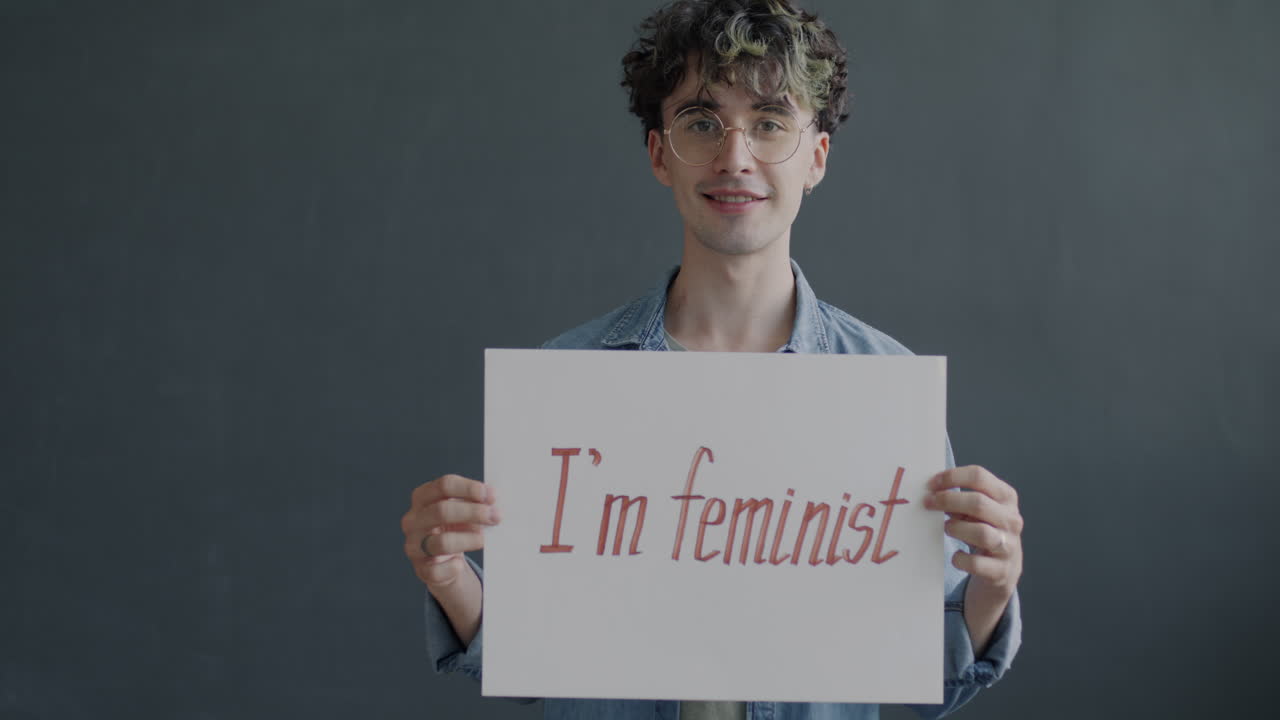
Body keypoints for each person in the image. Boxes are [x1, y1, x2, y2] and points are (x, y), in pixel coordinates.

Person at [400, 1, 1023, 717]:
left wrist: (991, 587)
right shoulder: (568, 382)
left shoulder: (883, 391)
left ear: (816, 156)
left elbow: (923, 679)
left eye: (769, 122)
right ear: (660, 153)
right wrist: (451, 577)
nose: (735, 156)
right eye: (701, 122)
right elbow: (539, 665)